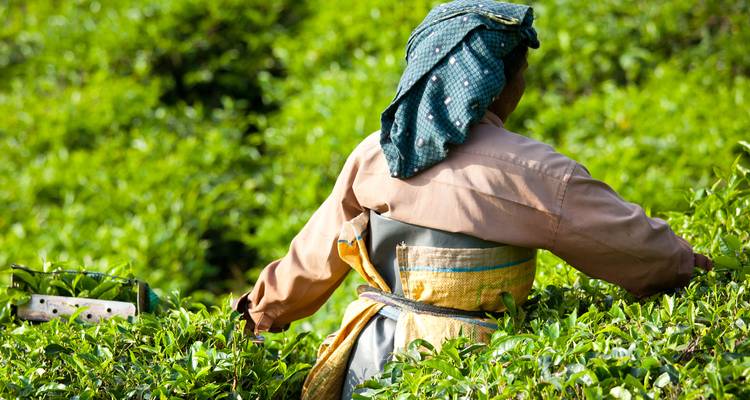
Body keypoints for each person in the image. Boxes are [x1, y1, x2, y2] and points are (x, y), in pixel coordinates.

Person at [232, 1, 713, 398]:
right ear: (503, 83)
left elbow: (311, 259)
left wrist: (259, 313)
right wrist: (689, 264)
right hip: (470, 375)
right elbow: (637, 251)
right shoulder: (538, 174)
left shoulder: (376, 153)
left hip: (364, 364)